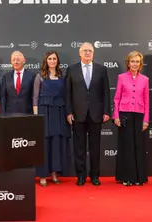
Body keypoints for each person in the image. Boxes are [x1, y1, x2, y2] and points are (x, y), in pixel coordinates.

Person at [65, 42, 110, 186]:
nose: (87, 53)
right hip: (78, 114)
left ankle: (95, 175)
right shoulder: (72, 70)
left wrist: (106, 111)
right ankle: (81, 175)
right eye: (84, 51)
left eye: (90, 51)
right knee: (79, 147)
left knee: (95, 147)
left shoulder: (101, 69)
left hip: (96, 114)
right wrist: (69, 112)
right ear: (79, 53)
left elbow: (106, 92)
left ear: (93, 53)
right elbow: (68, 94)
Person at [32, 51, 71, 187]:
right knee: (45, 143)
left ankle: (54, 173)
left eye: (54, 59)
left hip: (59, 112)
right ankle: (43, 175)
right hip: (44, 112)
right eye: (50, 58)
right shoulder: (40, 76)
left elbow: (66, 96)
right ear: (46, 60)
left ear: (57, 61)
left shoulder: (62, 75)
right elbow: (35, 98)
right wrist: (36, 116)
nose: (52, 61)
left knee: (56, 142)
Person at [112, 51, 150, 186]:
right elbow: (116, 98)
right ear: (128, 63)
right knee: (126, 146)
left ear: (140, 64)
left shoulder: (145, 79)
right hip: (125, 114)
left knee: (138, 146)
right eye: (132, 61)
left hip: (139, 115)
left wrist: (146, 119)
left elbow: (147, 100)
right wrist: (116, 116)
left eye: (137, 62)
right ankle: (127, 177)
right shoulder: (121, 77)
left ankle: (139, 177)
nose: (135, 64)